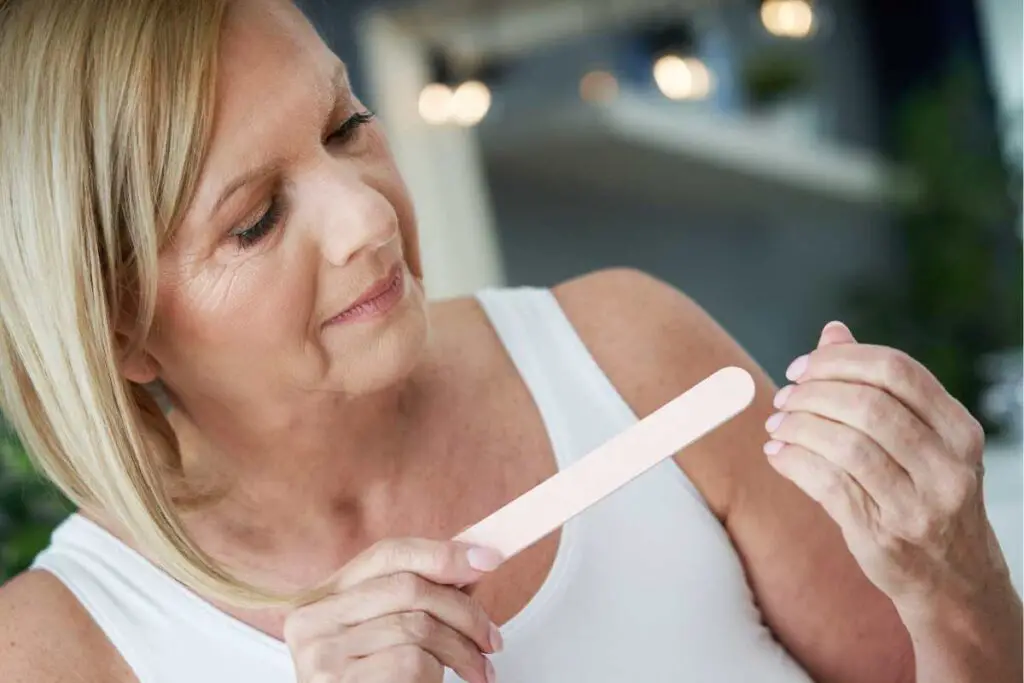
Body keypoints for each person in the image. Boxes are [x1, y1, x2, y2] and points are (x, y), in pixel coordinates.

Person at [0, 0, 1019, 681]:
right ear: (119, 326)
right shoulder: (56, 647)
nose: (367, 219)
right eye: (256, 217)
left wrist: (957, 579)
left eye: (347, 125)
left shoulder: (629, 350)